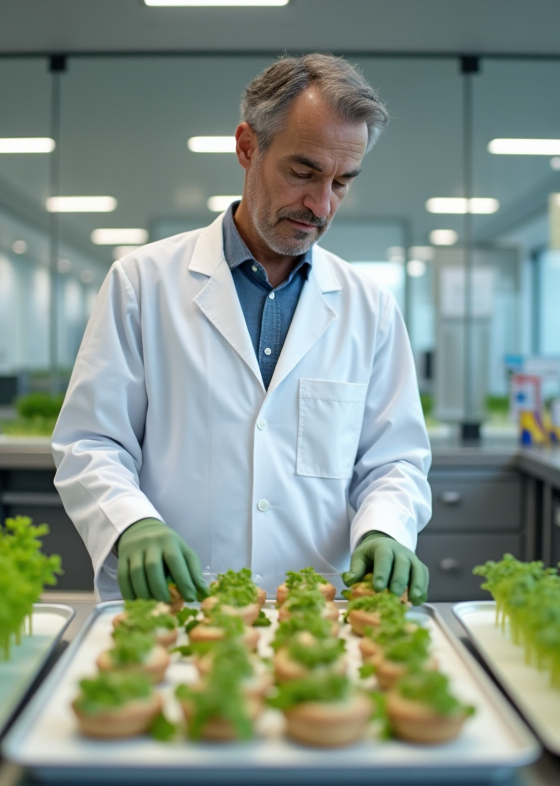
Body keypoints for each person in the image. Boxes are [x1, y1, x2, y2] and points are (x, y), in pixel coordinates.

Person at [52, 53, 432, 605]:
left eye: (342, 182)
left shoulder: (368, 307)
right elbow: (91, 441)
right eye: (303, 173)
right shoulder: (143, 283)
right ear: (248, 147)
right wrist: (130, 522)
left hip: (314, 610)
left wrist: (386, 528)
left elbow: (393, 459)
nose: (320, 204)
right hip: (179, 604)